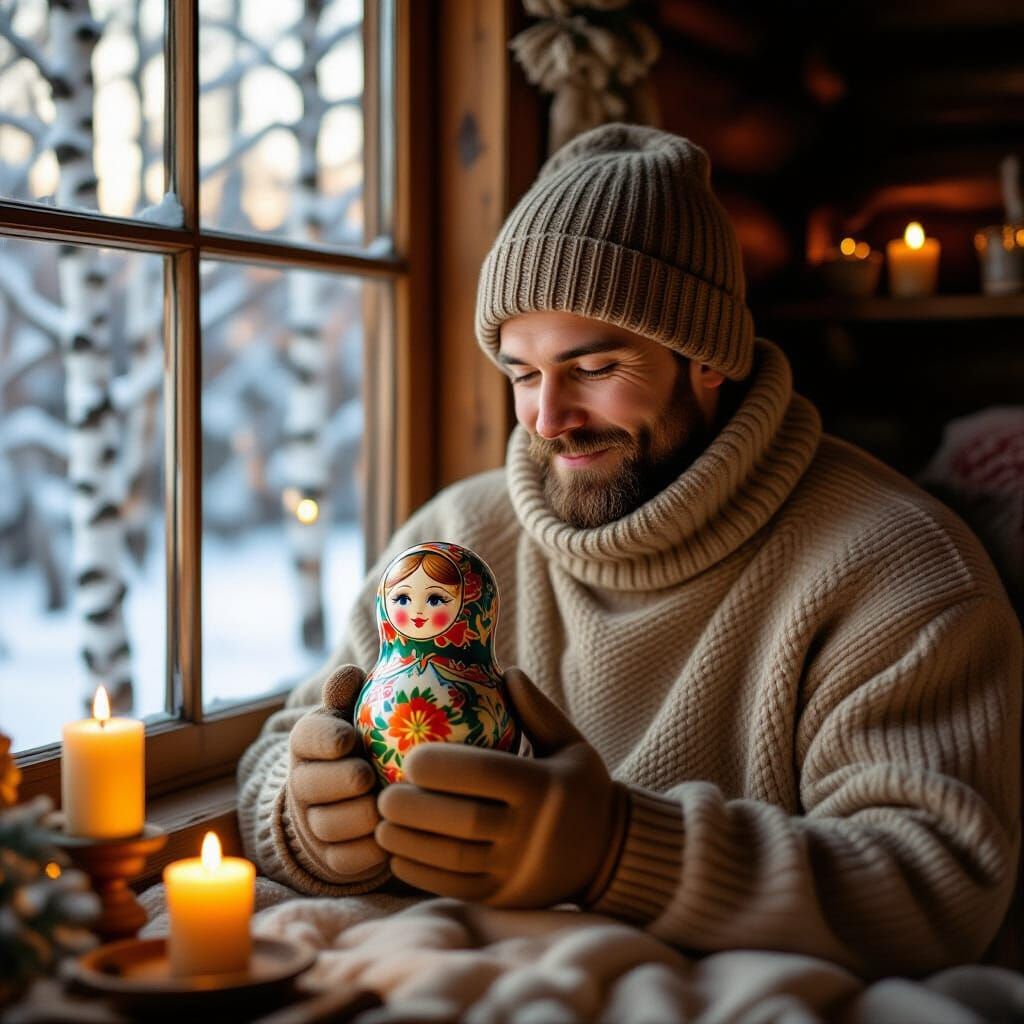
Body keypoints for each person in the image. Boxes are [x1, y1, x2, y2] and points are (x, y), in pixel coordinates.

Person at [238, 123, 1022, 977]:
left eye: (595, 366)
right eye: (523, 373)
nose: (547, 419)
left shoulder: (896, 565)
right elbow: (284, 746)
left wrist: (618, 849)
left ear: (708, 360)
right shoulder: (455, 545)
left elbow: (935, 888)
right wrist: (313, 820)